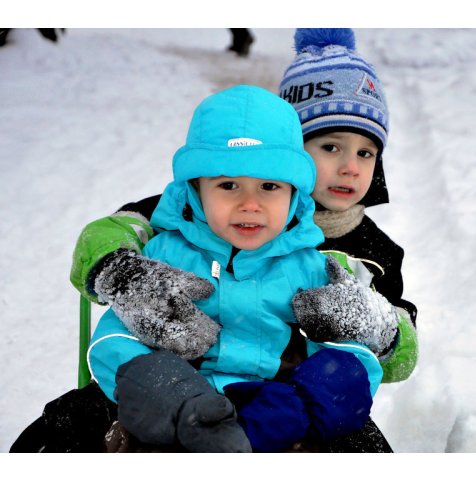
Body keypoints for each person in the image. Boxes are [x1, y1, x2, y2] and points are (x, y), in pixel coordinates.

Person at [11, 28, 416, 453]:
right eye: (330, 147)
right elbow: (104, 236)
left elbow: (393, 358)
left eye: (365, 153)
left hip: (282, 399)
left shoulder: (365, 256)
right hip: (168, 389)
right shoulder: (178, 223)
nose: (349, 167)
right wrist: (122, 272)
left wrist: (380, 328)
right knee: (57, 434)